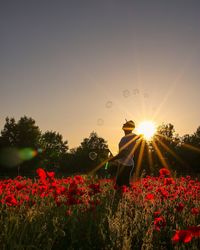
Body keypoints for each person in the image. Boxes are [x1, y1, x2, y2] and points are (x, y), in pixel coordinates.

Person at [109, 120, 138, 187]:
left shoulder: (129, 137)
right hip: (123, 164)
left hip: (126, 165)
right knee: (120, 185)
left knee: (122, 186)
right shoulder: (126, 137)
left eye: (125, 124)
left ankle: (131, 195)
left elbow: (123, 154)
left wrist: (112, 159)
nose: (123, 125)